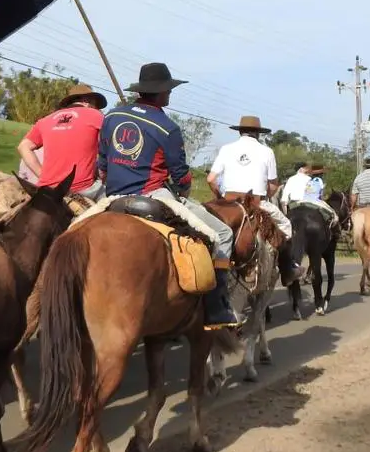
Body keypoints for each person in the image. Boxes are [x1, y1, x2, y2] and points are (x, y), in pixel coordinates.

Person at [97, 62, 239, 330]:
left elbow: (102, 165)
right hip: (154, 195)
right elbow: (181, 176)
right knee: (221, 234)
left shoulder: (111, 117)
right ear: (161, 93)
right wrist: (184, 191)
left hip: (112, 197)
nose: (170, 95)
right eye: (169, 90)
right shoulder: (167, 127)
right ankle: (217, 307)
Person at [207, 116, 304, 280]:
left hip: (228, 202)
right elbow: (273, 185)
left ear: (240, 131)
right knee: (286, 225)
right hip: (256, 203)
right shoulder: (267, 151)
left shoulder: (226, 148)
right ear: (258, 133)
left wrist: (221, 198)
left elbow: (211, 179)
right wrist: (265, 196)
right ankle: (287, 270)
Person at [18, 83, 107, 199]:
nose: (97, 108)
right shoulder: (96, 116)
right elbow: (108, 147)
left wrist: (42, 175)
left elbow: (23, 147)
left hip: (46, 188)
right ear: (86, 101)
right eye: (95, 104)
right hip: (81, 189)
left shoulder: (45, 120)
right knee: (116, 205)